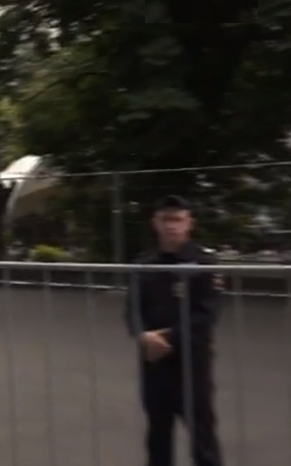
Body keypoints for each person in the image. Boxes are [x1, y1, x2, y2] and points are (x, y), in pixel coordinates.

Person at [124, 195, 223, 466]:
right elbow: (132, 310)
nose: (171, 226)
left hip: (191, 365)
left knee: (203, 440)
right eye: (165, 219)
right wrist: (143, 335)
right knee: (158, 438)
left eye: (177, 219)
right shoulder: (144, 264)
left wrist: (165, 338)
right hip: (155, 366)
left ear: (189, 223)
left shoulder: (204, 264)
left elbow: (206, 315)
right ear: (155, 223)